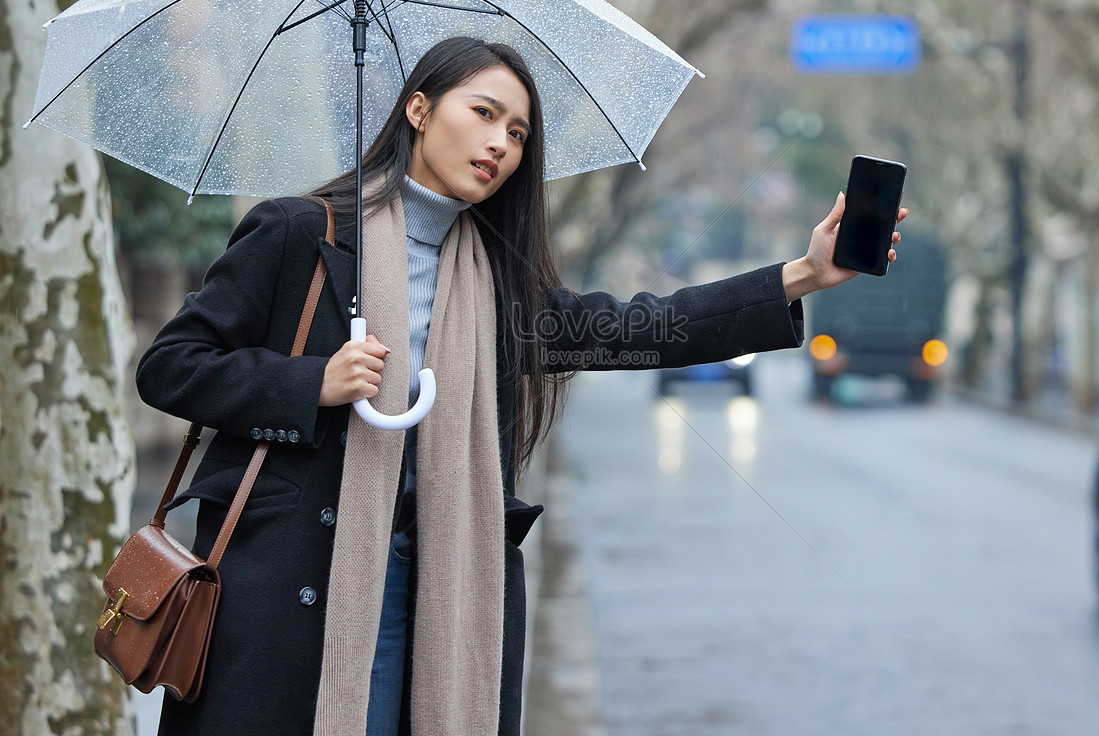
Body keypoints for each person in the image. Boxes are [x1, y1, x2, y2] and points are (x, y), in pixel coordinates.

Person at [136, 36, 906, 736]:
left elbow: (645, 326)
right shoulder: (302, 233)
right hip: (290, 591)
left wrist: (804, 274)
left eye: (519, 133)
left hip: (436, 580)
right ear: (418, 109)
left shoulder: (497, 284)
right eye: (486, 114)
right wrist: (312, 381)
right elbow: (172, 365)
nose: (501, 143)